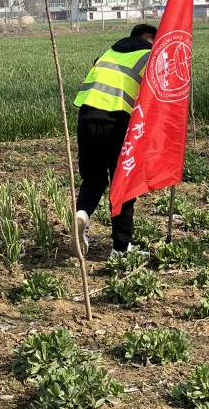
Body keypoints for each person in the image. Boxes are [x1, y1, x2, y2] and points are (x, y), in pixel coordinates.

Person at [71, 23, 156, 256]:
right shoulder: (148, 56)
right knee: (123, 183)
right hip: (117, 122)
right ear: (149, 37)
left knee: (93, 178)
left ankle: (82, 213)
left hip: (87, 118)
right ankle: (121, 248)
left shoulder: (107, 53)